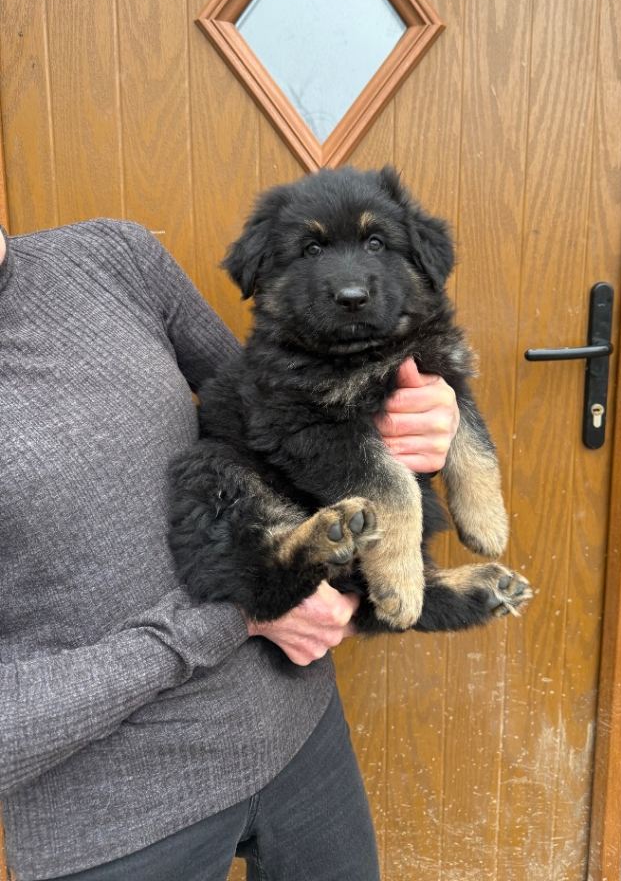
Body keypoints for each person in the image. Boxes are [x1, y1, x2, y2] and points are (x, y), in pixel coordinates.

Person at [0, 217, 459, 881]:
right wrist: (237, 616)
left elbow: (280, 410)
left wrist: (406, 412)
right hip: (118, 819)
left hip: (296, 728)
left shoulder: (109, 257)